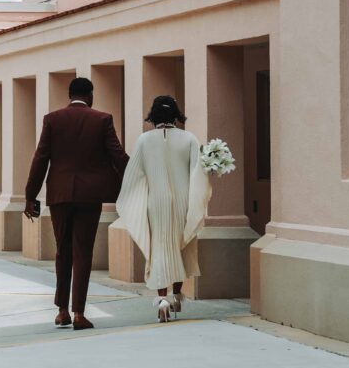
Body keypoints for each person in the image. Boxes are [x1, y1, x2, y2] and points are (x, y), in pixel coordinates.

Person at [25, 77, 129, 331]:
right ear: (90, 95)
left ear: (69, 95)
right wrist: (136, 181)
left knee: (63, 250)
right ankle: (80, 313)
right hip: (89, 196)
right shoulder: (102, 119)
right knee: (83, 251)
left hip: (59, 195)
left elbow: (41, 158)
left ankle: (62, 311)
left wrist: (30, 195)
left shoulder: (52, 119)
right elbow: (118, 156)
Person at [116, 95, 211, 323]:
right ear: (176, 114)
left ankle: (162, 300)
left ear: (154, 115)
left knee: (160, 247)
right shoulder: (189, 139)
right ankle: (177, 294)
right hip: (183, 201)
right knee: (180, 244)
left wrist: (134, 200)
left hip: (155, 202)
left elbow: (134, 175)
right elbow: (198, 174)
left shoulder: (143, 141)